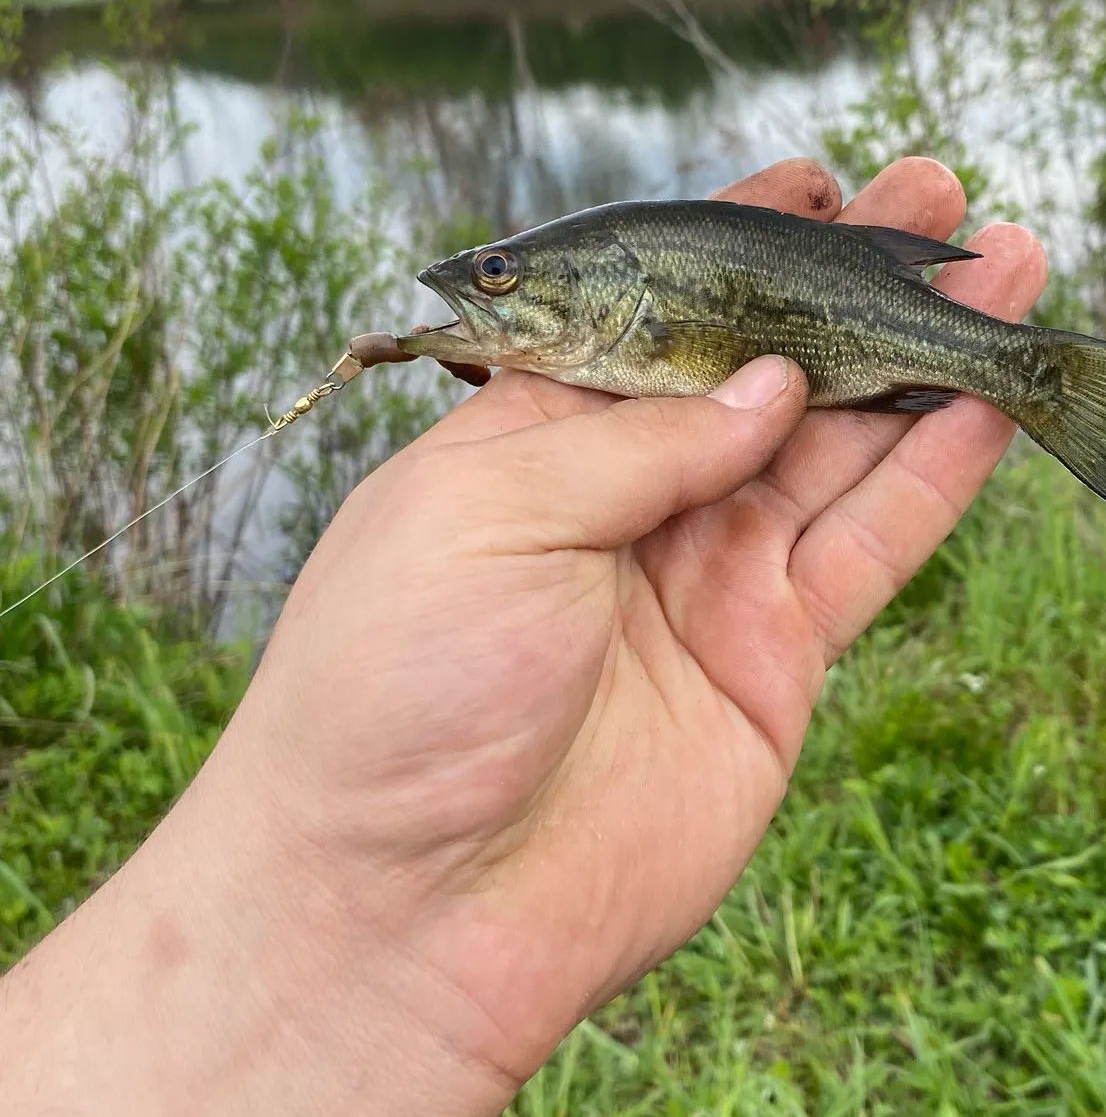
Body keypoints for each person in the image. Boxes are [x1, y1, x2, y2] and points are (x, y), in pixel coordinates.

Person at [0, 156, 1045, 1116]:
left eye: (499, 277)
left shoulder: (653, 315)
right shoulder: (604, 328)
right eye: (494, 276)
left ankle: (1049, 380)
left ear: (610, 289)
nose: (473, 288)